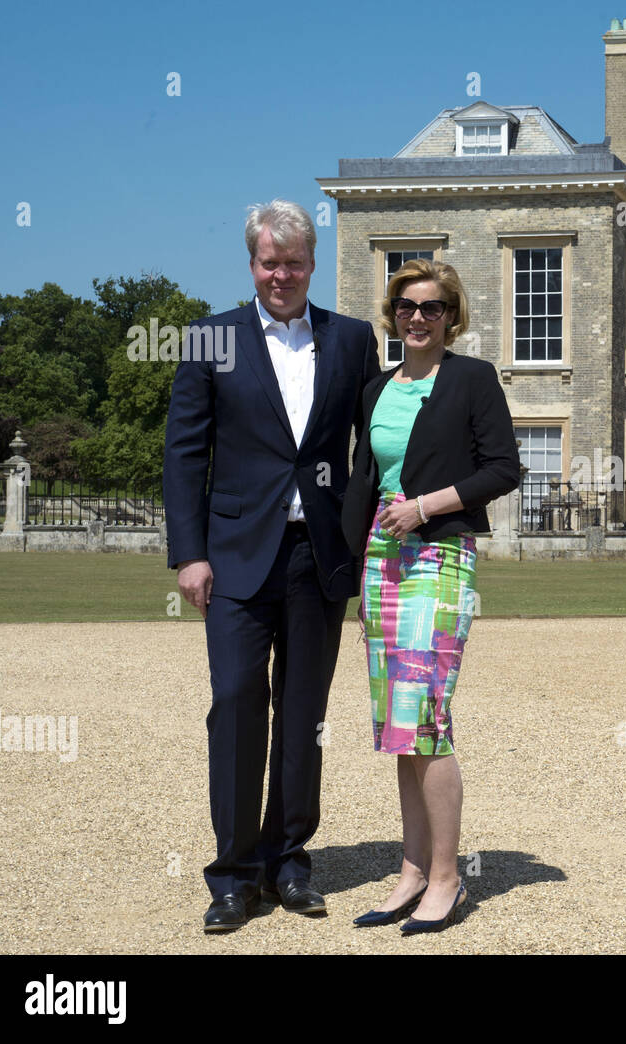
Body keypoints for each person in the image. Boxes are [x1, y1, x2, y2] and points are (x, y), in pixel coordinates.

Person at [164, 200, 382, 932]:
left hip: (318, 558)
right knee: (234, 703)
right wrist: (189, 553)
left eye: (293, 262)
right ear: (251, 265)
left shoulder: (351, 341)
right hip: (232, 559)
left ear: (312, 264)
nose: (281, 274)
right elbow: (185, 454)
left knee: (303, 716)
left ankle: (289, 860)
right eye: (269, 262)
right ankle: (232, 873)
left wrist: (359, 547)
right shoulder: (210, 340)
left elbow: (371, 458)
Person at [344, 259, 519, 935]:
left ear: (453, 316)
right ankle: (411, 870)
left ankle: (448, 878)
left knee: (425, 712)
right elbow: (366, 476)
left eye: (434, 307)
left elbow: (503, 467)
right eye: (408, 306)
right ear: (393, 315)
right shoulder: (375, 389)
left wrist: (424, 507)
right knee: (398, 723)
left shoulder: (471, 379)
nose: (419, 317)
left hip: (439, 553)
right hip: (382, 559)